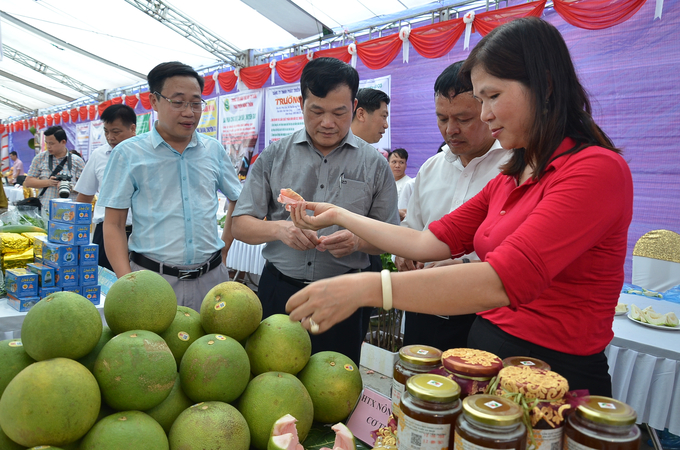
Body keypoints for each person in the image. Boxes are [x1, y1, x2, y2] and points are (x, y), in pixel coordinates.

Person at [285, 17, 633, 396]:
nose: (485, 115)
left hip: (553, 372)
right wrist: (339, 215)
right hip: (486, 355)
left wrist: (366, 287)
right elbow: (426, 242)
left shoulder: (595, 170)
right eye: (481, 102)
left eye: (493, 97)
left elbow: (504, 279)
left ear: (545, 85)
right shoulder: (510, 176)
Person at [231, 57, 399, 364]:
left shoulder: (374, 164)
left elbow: (391, 235)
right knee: (271, 380)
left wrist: (358, 241)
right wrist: (280, 230)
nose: (327, 123)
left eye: (339, 113)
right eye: (316, 111)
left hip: (344, 296)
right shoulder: (274, 157)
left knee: (336, 388)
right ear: (301, 103)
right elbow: (240, 224)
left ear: (355, 106)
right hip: (280, 290)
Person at [98, 61, 242, 312]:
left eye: (196, 103)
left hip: (212, 280)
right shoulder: (128, 154)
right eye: (178, 102)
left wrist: (225, 247)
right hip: (153, 281)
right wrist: (127, 281)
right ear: (154, 101)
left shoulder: (213, 150)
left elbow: (237, 199)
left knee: (213, 350)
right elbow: (113, 225)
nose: (189, 112)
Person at [398, 61, 509, 350]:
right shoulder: (431, 168)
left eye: (463, 118)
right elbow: (414, 232)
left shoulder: (513, 168)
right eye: (441, 118)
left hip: (484, 317)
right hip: (423, 306)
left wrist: (463, 266)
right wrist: (405, 256)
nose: (451, 130)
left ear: (487, 109)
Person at [75, 104, 137, 271]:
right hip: (106, 233)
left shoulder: (147, 155)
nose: (110, 137)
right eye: (106, 132)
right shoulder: (99, 155)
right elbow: (84, 198)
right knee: (106, 283)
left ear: (132, 129)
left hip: (140, 233)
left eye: (116, 132)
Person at [24, 125, 85, 210]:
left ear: (63, 142)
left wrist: (68, 186)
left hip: (70, 210)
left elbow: (85, 187)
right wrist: (49, 182)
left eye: (52, 143)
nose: (48, 146)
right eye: (47, 143)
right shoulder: (40, 158)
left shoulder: (77, 161)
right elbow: (28, 182)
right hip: (46, 208)